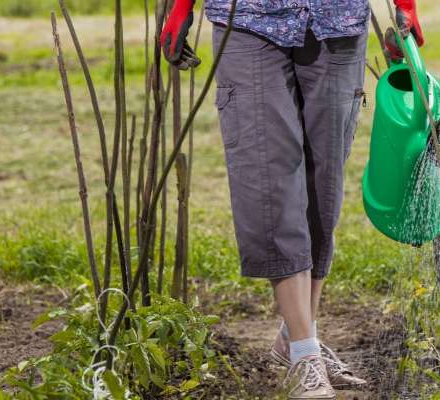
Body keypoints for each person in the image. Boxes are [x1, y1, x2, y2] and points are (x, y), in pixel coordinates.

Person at [161, 0, 424, 398]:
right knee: (270, 180)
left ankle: (295, 341)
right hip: (249, 20)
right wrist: (180, 6)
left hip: (338, 21)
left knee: (324, 185)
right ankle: (304, 354)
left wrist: (405, 5)